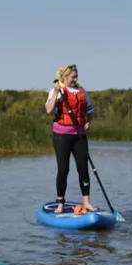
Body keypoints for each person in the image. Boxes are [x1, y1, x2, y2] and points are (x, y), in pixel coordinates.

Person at [44, 64, 96, 214]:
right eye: (73, 77)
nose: (75, 79)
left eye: (76, 76)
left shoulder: (82, 91)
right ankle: (60, 203)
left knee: (83, 168)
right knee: (63, 169)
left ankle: (86, 202)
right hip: (61, 136)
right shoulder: (56, 91)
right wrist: (56, 91)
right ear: (64, 77)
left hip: (79, 135)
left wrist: (89, 122)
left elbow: (90, 110)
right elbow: (49, 110)